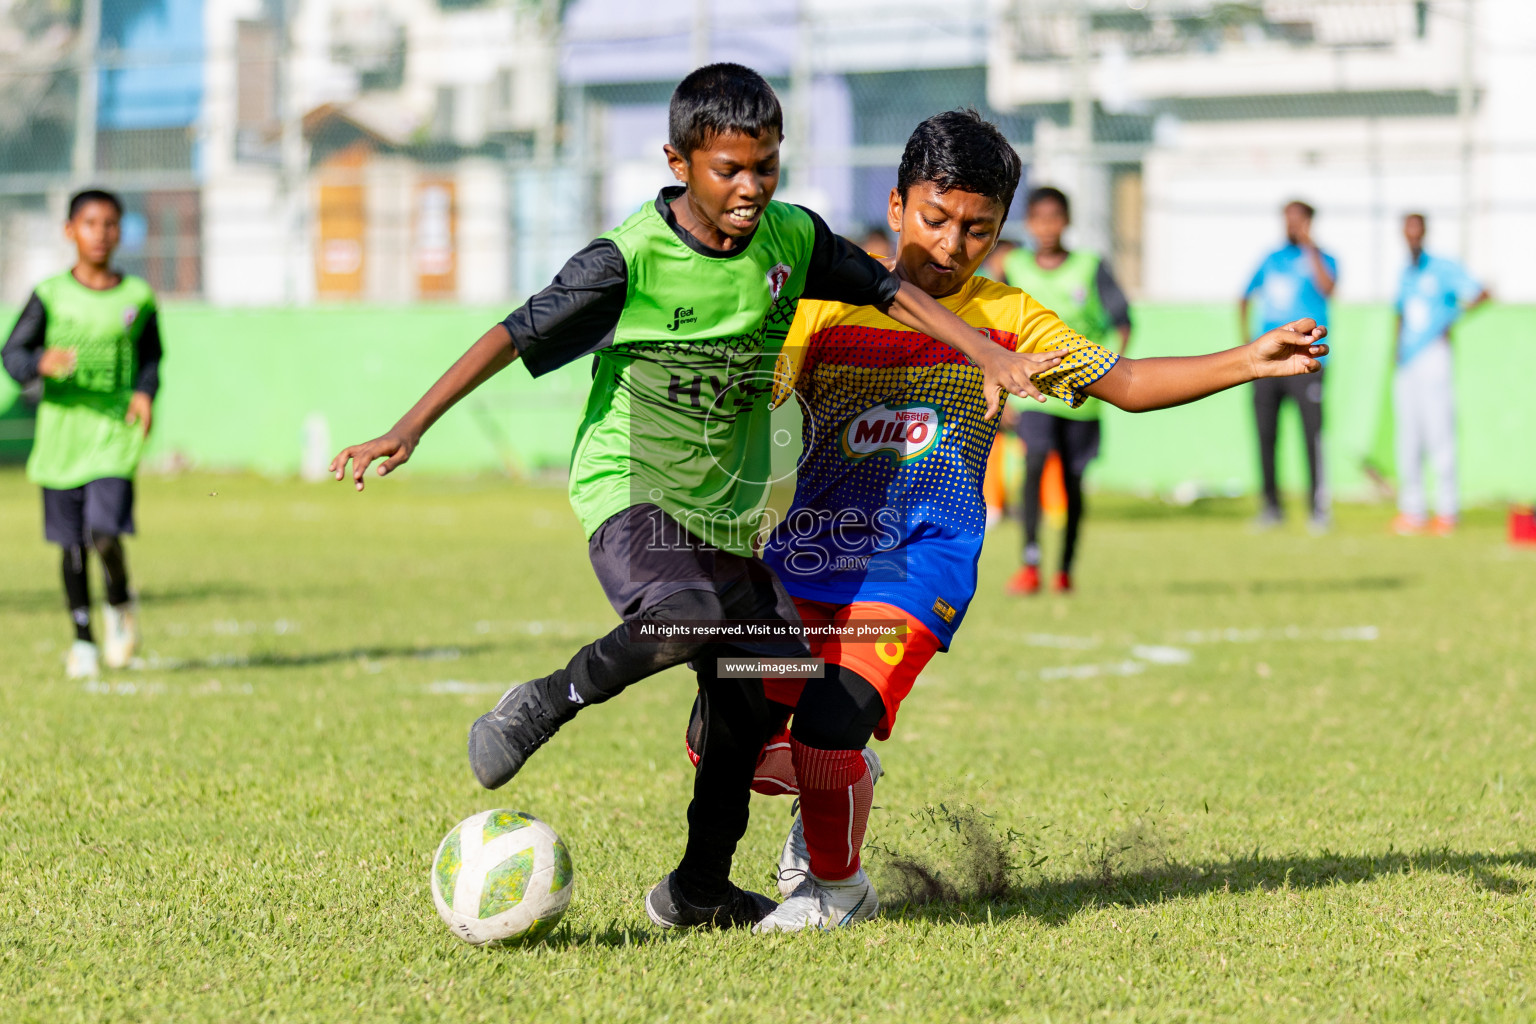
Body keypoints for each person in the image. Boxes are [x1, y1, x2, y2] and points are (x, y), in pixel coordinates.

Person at [328, 65, 1061, 931]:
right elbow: (511, 335)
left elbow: (888, 290)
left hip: (728, 520)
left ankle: (700, 889)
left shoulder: (791, 239)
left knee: (752, 702)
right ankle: (545, 700)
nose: (750, 188)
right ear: (680, 162)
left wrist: (983, 352)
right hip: (631, 488)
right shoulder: (626, 261)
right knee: (692, 610)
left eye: (767, 166)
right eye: (729, 170)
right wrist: (409, 427)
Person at [670, 109, 1329, 933]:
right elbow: (737, 404)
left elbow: (1122, 381)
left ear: (1001, 230)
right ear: (899, 204)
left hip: (918, 566)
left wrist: (1244, 361)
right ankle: (837, 778)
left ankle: (836, 887)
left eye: (978, 230)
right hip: (804, 561)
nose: (952, 246)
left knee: (830, 721)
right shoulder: (822, 306)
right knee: (716, 728)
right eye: (937, 219)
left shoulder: (1010, 319)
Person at [2, 189, 161, 679]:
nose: (101, 233)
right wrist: (39, 364)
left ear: (120, 231)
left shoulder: (137, 297)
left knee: (104, 535)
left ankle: (118, 603)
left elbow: (152, 356)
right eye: (90, 223)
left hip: (114, 433)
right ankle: (83, 641)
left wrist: (144, 392)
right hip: (61, 434)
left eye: (110, 224)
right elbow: (13, 354)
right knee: (71, 545)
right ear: (70, 230)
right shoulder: (50, 295)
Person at [1002, 186, 1132, 595]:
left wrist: (1106, 377)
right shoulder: (1014, 266)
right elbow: (993, 330)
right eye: (1039, 218)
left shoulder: (1090, 267)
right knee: (1034, 465)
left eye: (1054, 217)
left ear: (1067, 221)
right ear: (1029, 223)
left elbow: (1123, 322)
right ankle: (1030, 563)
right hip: (1034, 393)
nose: (1046, 227)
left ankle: (1065, 569)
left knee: (1074, 483)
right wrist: (1001, 384)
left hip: (1083, 397)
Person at [1240, 200, 1337, 531]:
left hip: (1306, 361)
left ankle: (1318, 509)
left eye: (1297, 219)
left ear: (1309, 222)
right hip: (1269, 364)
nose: (1290, 225)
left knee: (1312, 434)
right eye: (1287, 219)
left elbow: (1329, 288)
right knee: (1266, 434)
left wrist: (1309, 245)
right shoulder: (1271, 259)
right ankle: (1271, 506)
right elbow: (1244, 296)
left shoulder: (1323, 258)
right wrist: (1247, 344)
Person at [1391, 212, 1489, 535]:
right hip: (1407, 361)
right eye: (1407, 231)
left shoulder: (1443, 267)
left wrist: (1451, 317)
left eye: (1417, 231)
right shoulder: (1405, 273)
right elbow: (1401, 313)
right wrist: (1397, 350)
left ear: (1425, 233)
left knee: (1439, 432)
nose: (1412, 237)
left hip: (1434, 356)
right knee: (1409, 436)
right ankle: (1413, 510)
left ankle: (1447, 511)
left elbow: (1480, 293)